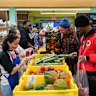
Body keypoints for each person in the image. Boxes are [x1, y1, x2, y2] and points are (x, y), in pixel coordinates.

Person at [75, 14, 96, 96]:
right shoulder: (83, 37)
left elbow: (87, 56)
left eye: (78, 27)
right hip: (83, 71)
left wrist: (87, 58)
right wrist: (76, 54)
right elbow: (83, 51)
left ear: (82, 26)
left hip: (93, 74)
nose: (78, 29)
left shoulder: (95, 37)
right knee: (84, 93)